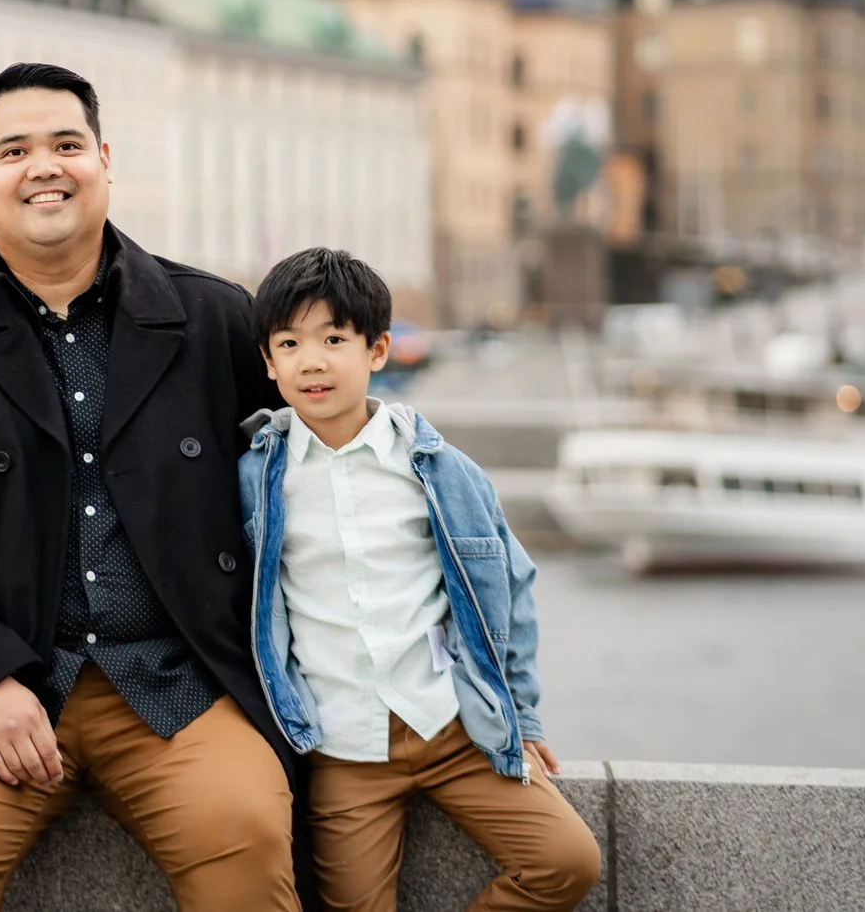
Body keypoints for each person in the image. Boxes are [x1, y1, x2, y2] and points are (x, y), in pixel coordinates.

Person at [0, 62, 298, 912]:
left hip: (179, 678)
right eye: (14, 149)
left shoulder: (213, 318)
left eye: (66, 144)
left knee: (248, 828)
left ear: (105, 159)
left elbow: (310, 482)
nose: (44, 166)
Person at [239, 247, 602, 912]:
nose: (311, 360)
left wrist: (518, 711)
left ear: (377, 350)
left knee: (568, 860)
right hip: (343, 748)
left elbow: (510, 584)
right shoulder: (255, 480)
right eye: (289, 343)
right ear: (268, 362)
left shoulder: (437, 467)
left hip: (453, 727)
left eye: (333, 339)